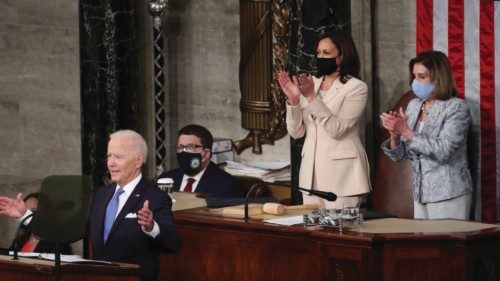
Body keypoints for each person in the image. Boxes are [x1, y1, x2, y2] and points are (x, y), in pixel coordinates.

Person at [0, 130, 181, 281]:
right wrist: (24, 215)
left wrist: (151, 227)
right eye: (109, 156)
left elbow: (172, 243)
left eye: (118, 156)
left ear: (138, 160)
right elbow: (64, 231)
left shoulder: (155, 198)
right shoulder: (100, 196)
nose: (111, 163)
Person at [276, 30, 371, 209]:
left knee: (341, 233)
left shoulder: (355, 88)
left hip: (342, 176)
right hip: (310, 176)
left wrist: (311, 97)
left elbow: (338, 129)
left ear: (342, 56)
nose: (321, 57)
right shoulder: (312, 82)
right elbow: (297, 133)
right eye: (318, 53)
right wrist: (294, 101)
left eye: (327, 53)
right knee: (313, 233)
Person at [380, 50, 473, 220]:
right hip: (420, 194)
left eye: (422, 77)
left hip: (448, 193)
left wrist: (406, 131)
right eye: (414, 77)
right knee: (424, 246)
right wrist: (394, 135)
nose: (416, 82)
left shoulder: (456, 107)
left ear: (439, 77)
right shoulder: (414, 105)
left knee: (446, 246)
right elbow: (401, 156)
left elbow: (444, 150)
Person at [159, 124, 245, 198]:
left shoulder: (227, 185)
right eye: (180, 147)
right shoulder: (165, 179)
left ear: (206, 153)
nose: (184, 152)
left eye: (190, 147)